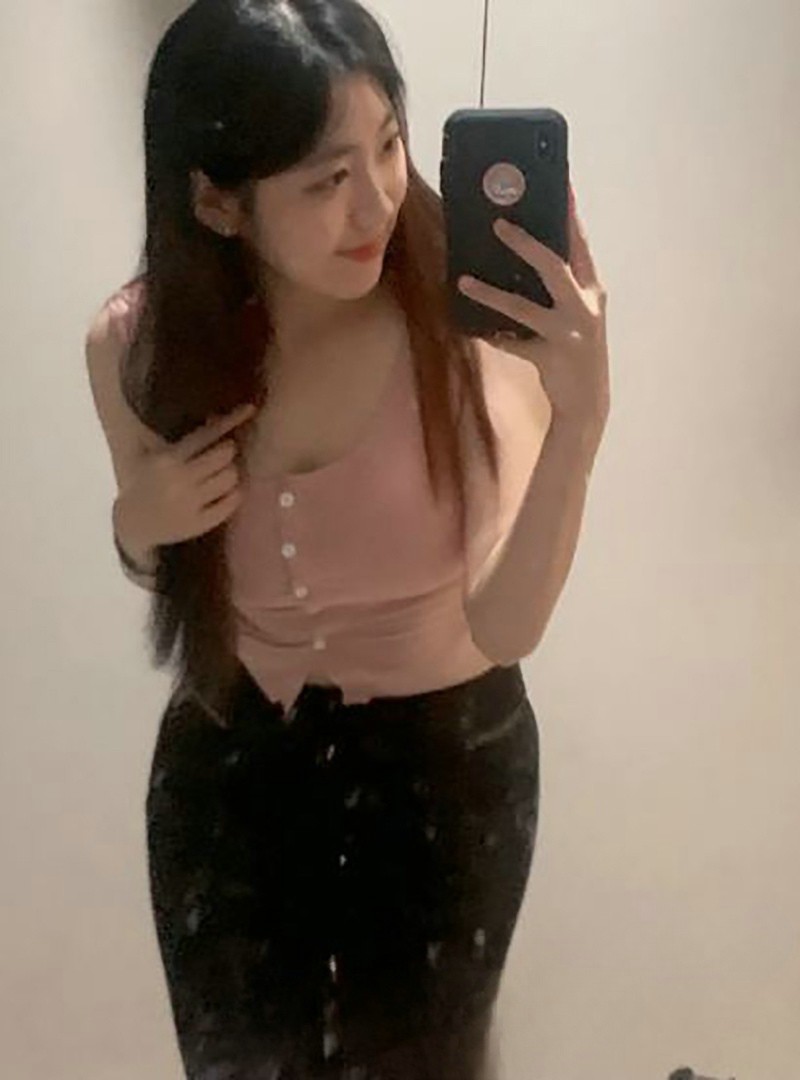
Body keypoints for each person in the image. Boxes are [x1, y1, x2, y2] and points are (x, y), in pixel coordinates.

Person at [85, 2, 548, 1077]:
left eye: (387, 146)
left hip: (444, 771)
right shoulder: (138, 345)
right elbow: (162, 567)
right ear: (216, 200)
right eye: (325, 178)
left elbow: (510, 622)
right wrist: (134, 522)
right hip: (231, 766)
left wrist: (586, 416)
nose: (376, 201)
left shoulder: (465, 319)